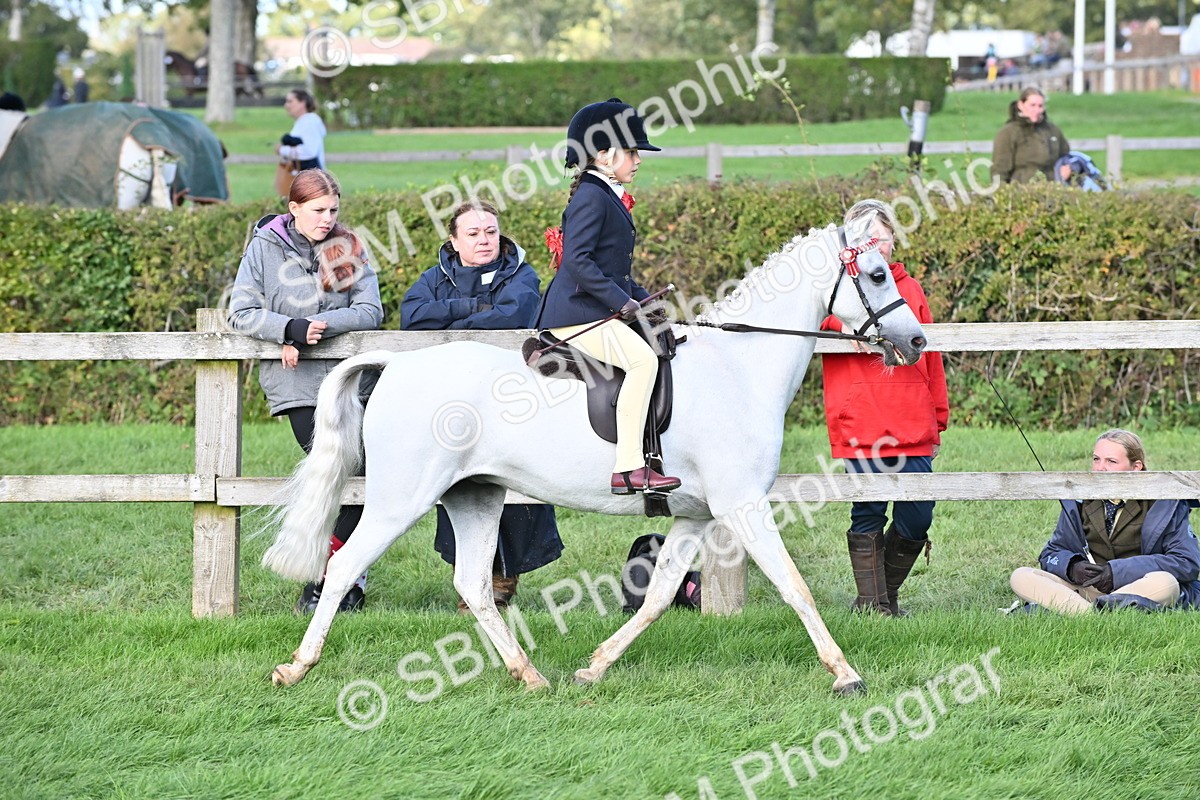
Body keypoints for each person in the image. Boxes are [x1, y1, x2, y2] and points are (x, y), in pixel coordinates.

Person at [227, 168, 383, 613]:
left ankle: (337, 574)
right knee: (335, 469)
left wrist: (313, 331)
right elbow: (240, 312)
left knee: (367, 474)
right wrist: (286, 328)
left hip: (353, 378)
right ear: (293, 208)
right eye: (317, 210)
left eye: (333, 210)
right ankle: (331, 573)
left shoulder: (348, 246)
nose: (327, 218)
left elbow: (370, 310)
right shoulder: (262, 249)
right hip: (297, 385)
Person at [401, 199, 564, 611]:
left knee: (515, 476)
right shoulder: (436, 277)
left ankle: (503, 573)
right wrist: (473, 308)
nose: (484, 240)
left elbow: (516, 314)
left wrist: (453, 326)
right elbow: (412, 316)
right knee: (457, 480)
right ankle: (470, 573)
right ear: (454, 241)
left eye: (490, 231)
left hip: (510, 395)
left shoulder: (520, 273)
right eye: (472, 234)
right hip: (455, 397)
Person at [535, 97, 681, 496]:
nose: (639, 160)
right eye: (632, 152)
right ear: (603, 155)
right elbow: (578, 263)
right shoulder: (592, 196)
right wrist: (623, 304)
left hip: (591, 307)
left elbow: (614, 271)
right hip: (575, 314)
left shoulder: (604, 193)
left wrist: (646, 301)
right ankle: (629, 467)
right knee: (641, 361)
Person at [820, 199, 949, 616]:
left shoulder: (911, 289)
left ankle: (884, 595)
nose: (876, 243)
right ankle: (873, 604)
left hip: (911, 417)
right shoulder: (836, 291)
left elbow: (931, 359)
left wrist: (938, 419)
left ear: (895, 238)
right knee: (868, 510)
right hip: (862, 417)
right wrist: (842, 326)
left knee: (918, 516)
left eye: (882, 235)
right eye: (866, 237)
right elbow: (809, 322)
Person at [1009, 430, 1200, 614]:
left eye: (1111, 461)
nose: (1100, 468)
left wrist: (1116, 572)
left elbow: (1186, 562)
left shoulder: (1164, 503)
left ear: (1136, 467)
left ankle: (1073, 610)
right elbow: (1051, 553)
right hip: (1089, 588)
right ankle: (1095, 614)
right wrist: (1072, 567)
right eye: (1096, 459)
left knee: (1165, 583)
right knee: (1021, 576)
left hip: (1140, 587)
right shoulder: (1079, 500)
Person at [991, 87, 1070, 184]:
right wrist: (1004, 195)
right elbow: (999, 170)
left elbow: (1066, 157)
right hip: (1022, 191)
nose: (1036, 110)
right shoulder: (1008, 133)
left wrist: (1066, 170)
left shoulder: (1053, 131)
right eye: (1032, 105)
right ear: (1021, 105)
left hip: (1054, 190)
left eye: (1040, 106)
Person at [277, 89, 325, 170]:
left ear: (303, 103)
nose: (286, 105)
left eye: (290, 101)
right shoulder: (303, 121)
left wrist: (282, 150)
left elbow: (310, 151)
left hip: (311, 179)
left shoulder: (310, 121)